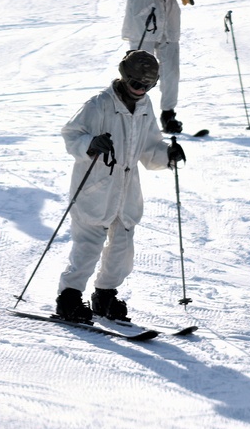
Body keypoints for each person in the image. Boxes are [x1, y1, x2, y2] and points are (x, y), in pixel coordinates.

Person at [54, 50, 186, 323]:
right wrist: (89, 144)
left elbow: (148, 148)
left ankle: (104, 295)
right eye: (137, 84)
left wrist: (167, 155)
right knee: (88, 246)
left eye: (148, 85)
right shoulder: (99, 104)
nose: (141, 90)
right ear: (125, 77)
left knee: (123, 249)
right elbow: (71, 135)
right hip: (95, 187)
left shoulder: (146, 106)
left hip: (126, 189)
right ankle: (68, 298)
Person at [120, 0, 200, 135]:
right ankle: (132, 113)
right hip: (142, 20)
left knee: (171, 71)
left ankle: (168, 114)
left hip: (169, 21)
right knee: (138, 71)